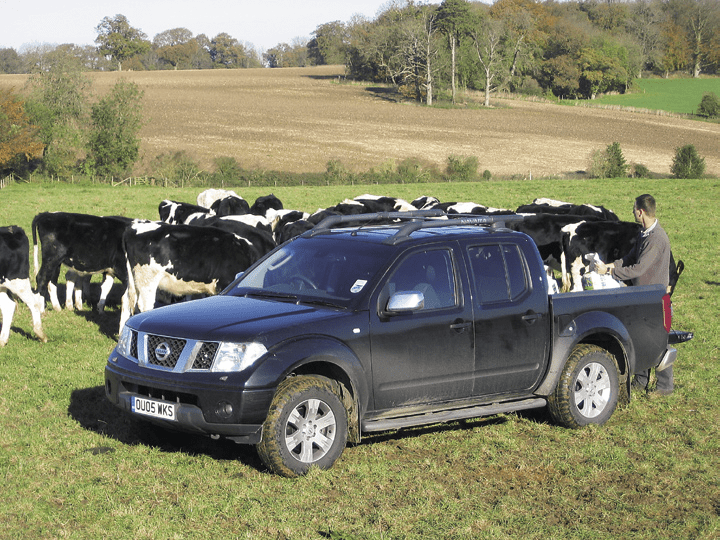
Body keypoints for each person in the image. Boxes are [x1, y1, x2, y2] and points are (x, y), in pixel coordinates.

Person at [596, 194, 673, 396]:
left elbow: (639, 269)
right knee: (641, 337)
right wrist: (613, 264)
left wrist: (611, 273)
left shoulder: (656, 238)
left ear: (640, 212)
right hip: (643, 296)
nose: (632, 212)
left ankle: (665, 387)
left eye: (633, 209)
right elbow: (630, 258)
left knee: (659, 341)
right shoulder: (644, 234)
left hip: (655, 299)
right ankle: (640, 381)